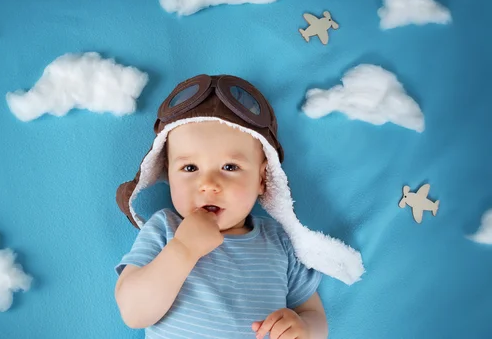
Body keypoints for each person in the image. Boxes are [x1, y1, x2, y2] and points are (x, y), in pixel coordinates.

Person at [114, 74, 364, 338]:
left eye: (230, 167)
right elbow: (133, 312)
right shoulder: (165, 230)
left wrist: (303, 328)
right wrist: (183, 250)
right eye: (190, 168)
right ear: (168, 174)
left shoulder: (279, 242)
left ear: (262, 179)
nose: (208, 183)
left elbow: (314, 316)